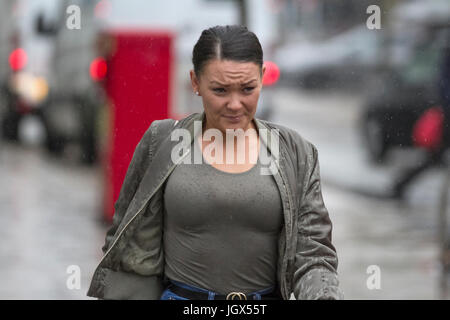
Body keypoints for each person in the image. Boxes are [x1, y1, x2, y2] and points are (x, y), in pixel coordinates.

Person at [87, 25, 343, 300]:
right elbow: (126, 238)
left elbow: (314, 254)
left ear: (263, 78)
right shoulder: (162, 142)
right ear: (195, 82)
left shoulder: (295, 152)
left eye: (247, 89)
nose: (235, 104)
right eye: (220, 90)